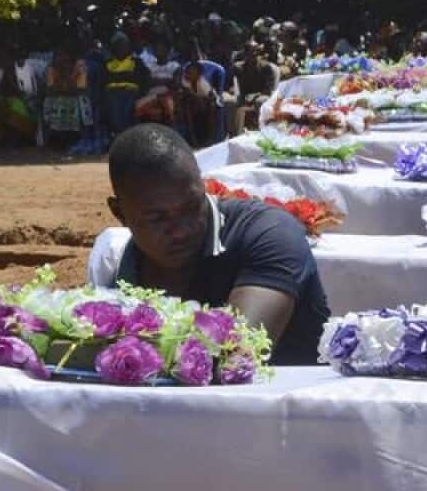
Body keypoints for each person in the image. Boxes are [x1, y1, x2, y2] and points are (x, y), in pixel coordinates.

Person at [91, 124, 330, 365]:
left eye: (192, 207)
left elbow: (237, 357)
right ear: (119, 213)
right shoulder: (120, 262)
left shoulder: (270, 234)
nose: (181, 230)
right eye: (157, 218)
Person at [0, 43, 43, 147]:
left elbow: (29, 94)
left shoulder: (24, 70)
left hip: (29, 107)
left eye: (2, 57)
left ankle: (16, 138)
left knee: (11, 104)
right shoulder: (0, 71)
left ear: (11, 58)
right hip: (9, 104)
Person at [42, 41, 91, 148]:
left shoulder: (80, 66)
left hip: (76, 99)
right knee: (52, 101)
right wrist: (64, 82)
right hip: (59, 98)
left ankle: (74, 136)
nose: (60, 59)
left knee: (75, 102)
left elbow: (79, 90)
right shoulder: (52, 68)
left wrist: (67, 76)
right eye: (58, 56)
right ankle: (56, 137)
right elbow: (50, 91)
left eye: (64, 56)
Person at [234, 40, 278, 131]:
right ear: (245, 53)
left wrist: (255, 95)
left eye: (256, 51)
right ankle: (234, 132)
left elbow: (268, 89)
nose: (254, 53)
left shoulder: (266, 67)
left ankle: (261, 129)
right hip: (244, 96)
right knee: (231, 102)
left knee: (260, 101)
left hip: (262, 95)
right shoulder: (239, 68)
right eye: (251, 51)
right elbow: (235, 85)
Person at [135, 37, 179, 125]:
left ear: (167, 50)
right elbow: (147, 83)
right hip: (151, 96)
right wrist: (166, 81)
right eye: (156, 47)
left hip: (168, 96)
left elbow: (175, 84)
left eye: (161, 47)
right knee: (137, 107)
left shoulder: (174, 65)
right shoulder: (149, 66)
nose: (158, 49)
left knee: (169, 107)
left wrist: (155, 81)